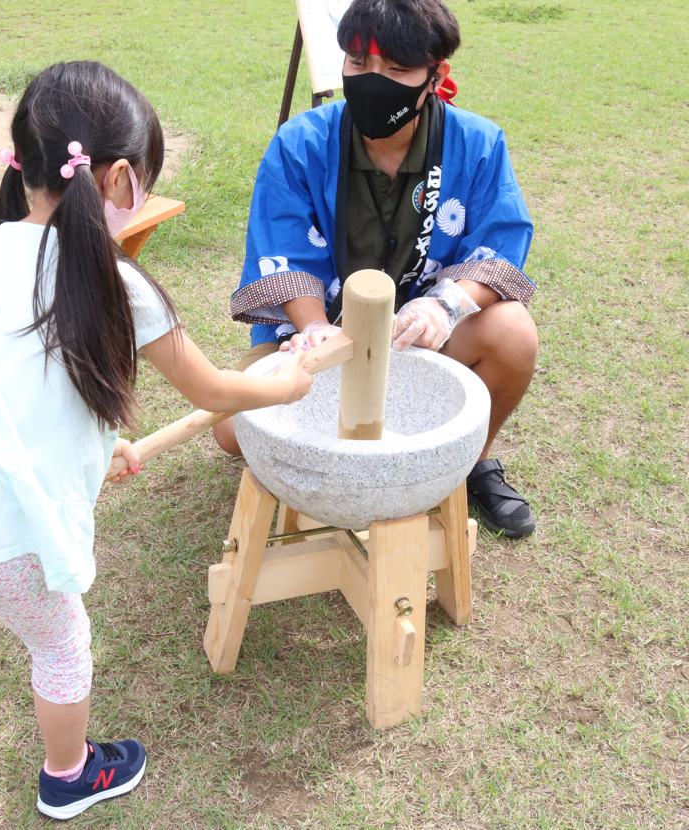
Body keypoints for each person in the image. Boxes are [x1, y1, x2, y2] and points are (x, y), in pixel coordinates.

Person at [0, 62, 314, 828]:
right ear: (121, 178)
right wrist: (288, 381)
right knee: (62, 643)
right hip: (3, 531)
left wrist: (105, 450)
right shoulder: (119, 286)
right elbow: (215, 393)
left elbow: (15, 396)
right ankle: (67, 776)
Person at [214, 0, 541, 537]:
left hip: (418, 339)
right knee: (230, 431)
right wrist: (313, 327)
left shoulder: (478, 143)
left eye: (396, 70)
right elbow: (284, 253)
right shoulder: (300, 143)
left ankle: (463, 468)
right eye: (359, 63)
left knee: (514, 334)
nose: (373, 81)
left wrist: (445, 304)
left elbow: (500, 249)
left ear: (436, 76)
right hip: (319, 339)